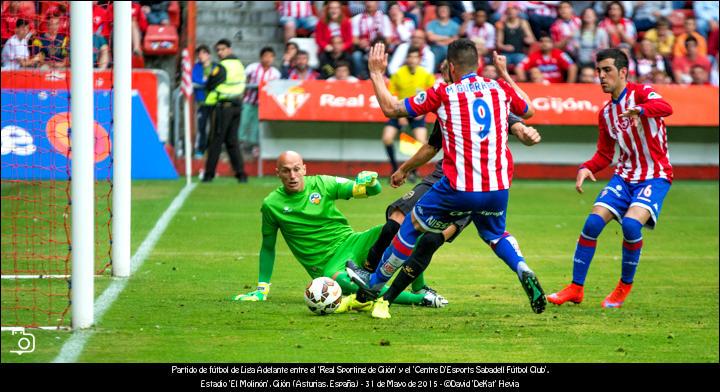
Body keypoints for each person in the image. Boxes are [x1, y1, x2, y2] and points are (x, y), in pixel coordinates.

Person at [348, 40, 546, 319]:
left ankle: (374, 285)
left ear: (451, 67)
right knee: (495, 234)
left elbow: (391, 109)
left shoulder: (444, 92)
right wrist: (505, 74)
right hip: (498, 186)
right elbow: (528, 111)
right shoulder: (499, 88)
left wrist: (377, 74)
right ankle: (522, 267)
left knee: (411, 226)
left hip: (458, 185)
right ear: (477, 64)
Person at [232, 151, 444, 310]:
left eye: (296, 169)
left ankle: (420, 287)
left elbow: (372, 191)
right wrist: (262, 288)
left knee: (406, 232)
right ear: (277, 173)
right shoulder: (271, 205)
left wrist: (370, 181)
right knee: (349, 283)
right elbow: (268, 247)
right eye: (286, 171)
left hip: (351, 242)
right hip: (327, 264)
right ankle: (419, 300)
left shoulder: (323, 184)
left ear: (304, 169)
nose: (292, 175)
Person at [547, 48, 674, 309]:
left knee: (630, 226)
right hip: (625, 176)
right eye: (599, 71)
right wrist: (586, 167)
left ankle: (623, 286)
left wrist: (640, 110)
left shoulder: (641, 92)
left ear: (623, 72)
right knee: (592, 223)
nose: (601, 76)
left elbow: (666, 107)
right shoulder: (606, 113)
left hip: (654, 175)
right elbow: (605, 154)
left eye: (607, 71)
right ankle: (575, 288)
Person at [382, 46, 435, 176]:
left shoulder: (426, 75)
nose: (412, 60)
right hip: (400, 110)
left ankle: (412, 170)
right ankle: (394, 168)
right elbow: (392, 95)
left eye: (415, 57)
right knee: (387, 138)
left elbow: (431, 96)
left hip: (418, 112)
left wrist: (423, 112)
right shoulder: (398, 74)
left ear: (419, 59)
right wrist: (400, 115)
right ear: (406, 59)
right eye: (410, 57)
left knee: (422, 142)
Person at [202, 39, 248, 183]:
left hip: (223, 107)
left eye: (222, 49)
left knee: (216, 140)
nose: (220, 53)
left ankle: (209, 174)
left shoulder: (222, 66)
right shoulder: (239, 64)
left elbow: (210, 83)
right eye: (218, 50)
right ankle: (241, 174)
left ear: (229, 49)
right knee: (232, 141)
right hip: (237, 106)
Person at [239, 47, 281, 158]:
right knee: (243, 123)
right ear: (261, 57)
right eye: (265, 56)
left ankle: (254, 150)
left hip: (262, 105)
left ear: (273, 58)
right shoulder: (252, 68)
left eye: (270, 56)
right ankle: (240, 146)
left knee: (256, 127)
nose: (267, 59)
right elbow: (243, 81)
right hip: (248, 101)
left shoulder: (275, 73)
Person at [350, 1, 392, 79]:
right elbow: (353, 39)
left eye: (372, 1)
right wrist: (360, 42)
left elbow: (388, 40)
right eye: (367, 2)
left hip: (380, 50)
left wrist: (376, 44)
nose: (369, 4)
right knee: (356, 56)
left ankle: (383, 77)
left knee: (387, 56)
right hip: (363, 50)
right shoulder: (357, 18)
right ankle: (361, 78)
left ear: (377, 4)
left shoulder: (384, 18)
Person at [191, 45, 215, 159]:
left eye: (202, 53)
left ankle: (212, 150)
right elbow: (195, 79)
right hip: (201, 102)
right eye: (198, 54)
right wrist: (206, 82)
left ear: (208, 55)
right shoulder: (196, 67)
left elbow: (217, 80)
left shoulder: (215, 67)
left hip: (214, 102)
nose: (200, 56)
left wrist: (206, 82)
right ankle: (200, 150)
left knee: (214, 128)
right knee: (202, 127)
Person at [495, 2, 535, 67]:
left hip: (519, 53)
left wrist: (528, 39)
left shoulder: (523, 22)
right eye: (509, 10)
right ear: (506, 12)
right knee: (500, 65)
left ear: (518, 11)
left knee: (522, 64)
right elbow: (498, 44)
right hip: (506, 54)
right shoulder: (501, 24)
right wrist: (505, 47)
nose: (511, 12)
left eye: (513, 9)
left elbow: (532, 39)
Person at [426, 2, 461, 72]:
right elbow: (430, 37)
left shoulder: (455, 25)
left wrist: (439, 40)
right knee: (436, 52)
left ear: (449, 12)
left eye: (445, 10)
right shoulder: (431, 24)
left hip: (450, 49)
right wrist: (448, 37)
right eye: (441, 10)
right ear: (437, 11)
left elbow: (455, 40)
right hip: (435, 49)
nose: (443, 12)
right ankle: (431, 74)